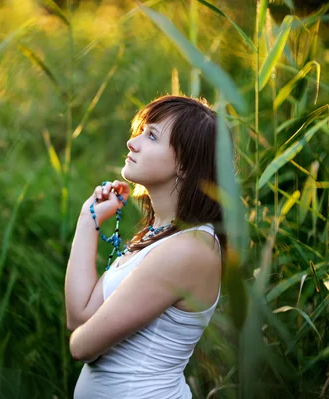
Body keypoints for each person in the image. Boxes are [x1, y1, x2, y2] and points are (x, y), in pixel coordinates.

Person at [65, 95, 228, 398]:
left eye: (151, 135)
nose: (132, 142)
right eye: (140, 131)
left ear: (185, 165)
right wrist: (88, 220)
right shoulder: (159, 237)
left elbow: (81, 345)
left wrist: (83, 336)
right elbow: (79, 316)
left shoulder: (189, 249)